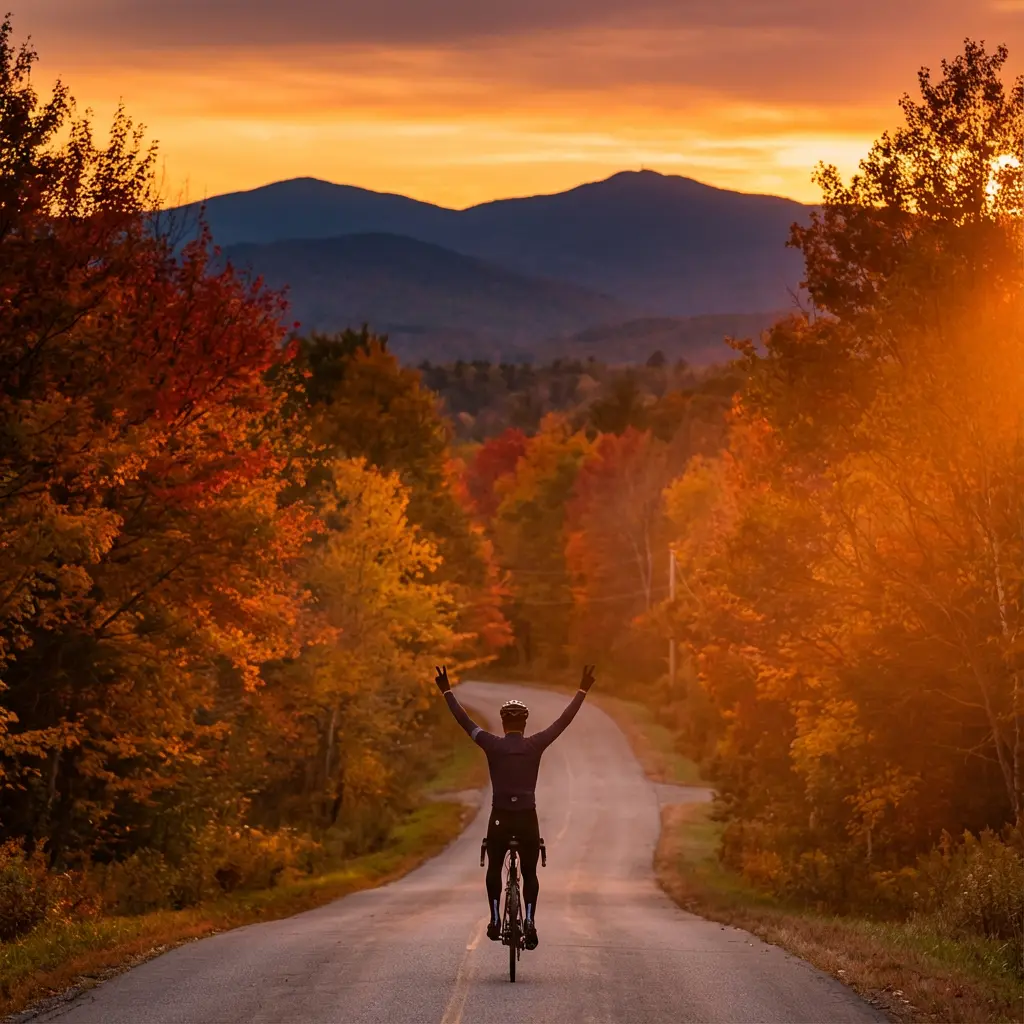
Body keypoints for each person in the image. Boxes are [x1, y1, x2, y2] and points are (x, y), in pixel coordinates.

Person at [433, 665, 596, 950]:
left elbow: (464, 721)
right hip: (526, 819)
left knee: (495, 866)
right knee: (530, 872)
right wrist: (582, 690)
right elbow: (563, 722)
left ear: (504, 723)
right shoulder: (535, 745)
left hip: (500, 818)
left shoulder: (491, 744)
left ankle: (495, 919)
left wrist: (447, 690)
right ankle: (530, 921)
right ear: (524, 723)